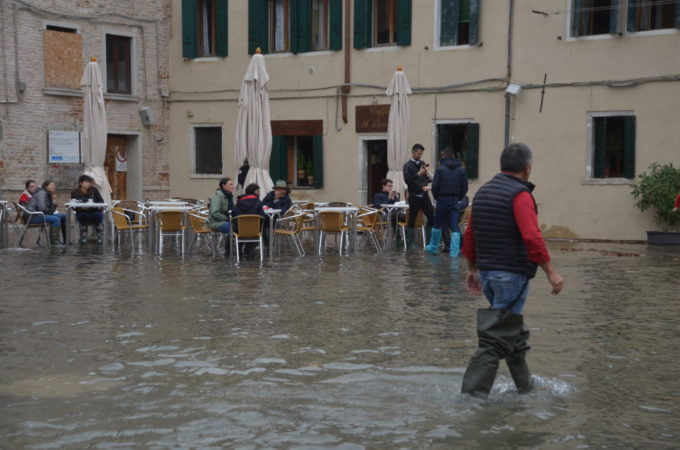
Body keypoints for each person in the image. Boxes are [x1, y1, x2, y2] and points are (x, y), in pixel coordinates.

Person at [460, 143, 563, 398]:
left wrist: (472, 269)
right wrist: (551, 272)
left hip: (488, 273)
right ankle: (471, 396)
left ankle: (525, 387)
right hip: (511, 275)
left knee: (509, 329)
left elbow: (470, 235)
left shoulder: (483, 192)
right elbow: (532, 236)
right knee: (495, 340)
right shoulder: (520, 195)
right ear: (528, 168)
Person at [425, 147, 468, 257]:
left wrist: (436, 197)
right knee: (454, 225)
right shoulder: (461, 170)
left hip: (442, 199)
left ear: (443, 156)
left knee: (438, 223)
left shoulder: (440, 169)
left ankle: (433, 248)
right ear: (453, 156)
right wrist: (459, 197)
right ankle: (454, 252)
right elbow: (465, 187)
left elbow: (435, 186)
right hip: (454, 200)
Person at [403, 143, 434, 248]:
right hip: (414, 195)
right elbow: (407, 180)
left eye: (421, 154)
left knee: (431, 217)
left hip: (424, 195)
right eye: (418, 153)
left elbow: (427, 179)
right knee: (412, 218)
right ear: (413, 152)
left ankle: (429, 241)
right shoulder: (407, 165)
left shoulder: (423, 163)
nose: (420, 156)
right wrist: (418, 173)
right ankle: (411, 243)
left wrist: (428, 172)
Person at [25, 180, 66, 247]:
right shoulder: (42, 193)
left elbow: (49, 212)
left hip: (39, 214)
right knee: (55, 219)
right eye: (52, 185)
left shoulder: (47, 194)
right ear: (46, 187)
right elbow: (43, 209)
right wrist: (53, 202)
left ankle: (66, 241)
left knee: (64, 216)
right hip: (32, 216)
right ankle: (54, 243)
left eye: (54, 185)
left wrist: (53, 202)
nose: (54, 186)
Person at [70, 175, 105, 244]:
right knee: (83, 216)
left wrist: (94, 205)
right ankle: (83, 236)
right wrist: (80, 206)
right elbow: (73, 206)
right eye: (86, 182)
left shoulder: (94, 190)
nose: (88, 184)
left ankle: (99, 236)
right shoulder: (75, 192)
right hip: (82, 212)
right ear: (81, 183)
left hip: (94, 211)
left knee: (98, 215)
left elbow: (101, 201)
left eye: (89, 182)